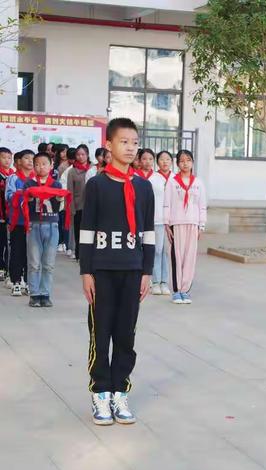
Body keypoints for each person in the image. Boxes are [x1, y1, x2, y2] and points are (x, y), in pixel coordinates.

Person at [79, 117, 155, 425]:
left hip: (133, 270)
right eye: (123, 141)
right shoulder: (96, 184)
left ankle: (120, 391)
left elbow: (148, 232)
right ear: (109, 145)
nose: (130, 147)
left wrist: (147, 271)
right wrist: (86, 272)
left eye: (134, 142)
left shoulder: (145, 187)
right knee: (101, 332)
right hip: (102, 271)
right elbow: (86, 231)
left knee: (126, 335)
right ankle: (101, 394)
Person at [23, 152, 70, 307]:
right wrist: (29, 197)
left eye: (44, 164)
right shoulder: (29, 184)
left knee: (48, 263)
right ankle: (34, 294)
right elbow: (26, 205)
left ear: (51, 166)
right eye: (37, 164)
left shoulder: (56, 185)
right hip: (34, 225)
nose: (40, 167)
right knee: (34, 262)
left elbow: (58, 208)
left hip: (52, 225)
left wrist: (59, 198)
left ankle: (45, 293)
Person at [164, 149, 207, 304]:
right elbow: (167, 203)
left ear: (192, 162)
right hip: (176, 223)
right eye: (182, 160)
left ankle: (185, 290)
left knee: (190, 258)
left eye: (188, 160)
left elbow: (202, 205)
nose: (185, 163)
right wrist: (166, 224)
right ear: (177, 164)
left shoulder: (198, 183)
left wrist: (201, 225)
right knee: (177, 257)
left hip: (193, 223)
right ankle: (176, 290)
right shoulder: (172, 182)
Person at [138, 149, 171, 295]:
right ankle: (156, 281)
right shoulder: (151, 179)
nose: (147, 162)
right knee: (155, 251)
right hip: (150, 219)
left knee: (163, 252)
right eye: (144, 159)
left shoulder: (164, 179)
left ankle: (164, 281)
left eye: (150, 159)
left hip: (164, 220)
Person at [5, 149, 36, 296]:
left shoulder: (37, 178)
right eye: (26, 158)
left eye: (32, 158)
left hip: (34, 222)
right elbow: (8, 197)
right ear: (19, 162)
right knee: (17, 251)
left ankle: (29, 281)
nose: (30, 161)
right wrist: (23, 195)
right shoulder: (13, 178)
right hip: (18, 221)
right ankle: (16, 281)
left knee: (31, 253)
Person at [67, 144, 90, 261]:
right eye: (78, 154)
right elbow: (69, 191)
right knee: (78, 231)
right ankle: (79, 254)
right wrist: (71, 208)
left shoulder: (93, 169)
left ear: (87, 155)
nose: (80, 157)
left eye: (83, 154)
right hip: (78, 205)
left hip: (91, 205)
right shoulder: (72, 171)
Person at [0, 147, 14, 282]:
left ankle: (7, 268)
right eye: (3, 157)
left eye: (9, 158)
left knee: (7, 243)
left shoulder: (12, 175)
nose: (7, 160)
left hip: (9, 215)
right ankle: (1, 267)